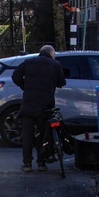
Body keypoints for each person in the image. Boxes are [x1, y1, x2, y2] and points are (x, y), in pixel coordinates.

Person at [11, 44, 65, 172]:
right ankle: (41, 162)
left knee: (27, 135)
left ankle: (27, 164)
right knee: (43, 135)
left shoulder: (29, 62)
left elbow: (15, 76)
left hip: (28, 104)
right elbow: (61, 83)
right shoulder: (55, 65)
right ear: (51, 53)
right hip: (45, 106)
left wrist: (25, 86)